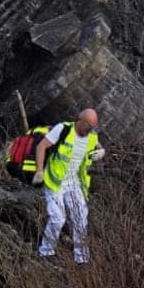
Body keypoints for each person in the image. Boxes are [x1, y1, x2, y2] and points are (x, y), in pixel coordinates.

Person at [35, 108, 103, 263]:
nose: (90, 130)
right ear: (80, 121)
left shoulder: (91, 137)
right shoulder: (63, 129)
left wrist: (100, 152)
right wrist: (39, 171)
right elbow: (41, 147)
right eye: (88, 126)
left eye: (93, 128)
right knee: (58, 218)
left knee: (80, 219)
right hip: (55, 181)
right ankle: (46, 252)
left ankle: (82, 259)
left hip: (74, 183)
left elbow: (97, 147)